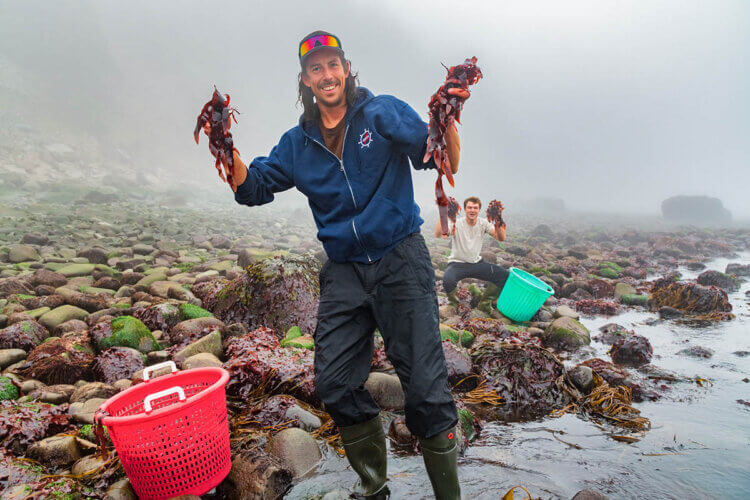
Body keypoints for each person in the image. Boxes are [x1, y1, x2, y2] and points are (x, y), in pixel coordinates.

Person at [227, 31, 463, 499]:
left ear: (346, 68)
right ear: (305, 80)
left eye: (333, 64)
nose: (326, 74)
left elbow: (441, 158)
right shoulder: (297, 144)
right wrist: (222, 142)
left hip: (400, 260)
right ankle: (375, 486)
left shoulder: (381, 112)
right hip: (344, 271)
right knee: (334, 383)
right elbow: (251, 189)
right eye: (315, 68)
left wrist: (449, 114)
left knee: (427, 391)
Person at [434, 197, 508, 296]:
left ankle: (486, 302)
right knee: (448, 280)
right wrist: (443, 214)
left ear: (479, 210)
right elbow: (439, 234)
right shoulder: (456, 223)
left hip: (476, 263)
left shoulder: (483, 223)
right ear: (464, 209)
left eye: (475, 208)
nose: (472, 210)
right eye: (469, 207)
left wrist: (498, 219)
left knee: (504, 275)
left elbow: (501, 238)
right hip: (457, 264)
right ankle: (455, 304)